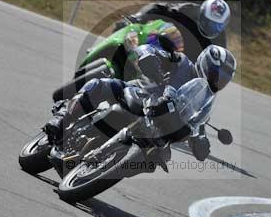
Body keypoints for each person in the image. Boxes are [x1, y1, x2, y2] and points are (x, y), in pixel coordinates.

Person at [44, 41, 237, 163]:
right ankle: (61, 120)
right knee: (98, 85)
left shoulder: (203, 100)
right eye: (215, 75)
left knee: (158, 156)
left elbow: (197, 124)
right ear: (205, 63)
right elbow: (148, 49)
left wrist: (200, 142)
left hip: (156, 122)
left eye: (222, 80)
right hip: (137, 94)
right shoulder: (181, 62)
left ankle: (108, 163)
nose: (217, 81)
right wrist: (149, 57)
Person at [115, 0, 231, 63]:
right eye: (208, 22)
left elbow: (216, 64)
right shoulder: (187, 11)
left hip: (185, 66)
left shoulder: (219, 42)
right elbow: (161, 8)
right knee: (136, 34)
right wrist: (139, 16)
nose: (211, 28)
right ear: (201, 13)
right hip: (166, 45)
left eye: (217, 26)